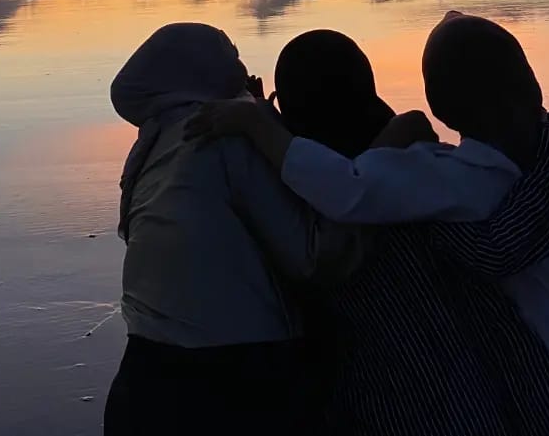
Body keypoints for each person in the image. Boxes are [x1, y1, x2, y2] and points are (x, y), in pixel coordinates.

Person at [192, 15, 549, 436]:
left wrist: (257, 123)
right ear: (530, 80)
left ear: (442, 105)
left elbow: (345, 189)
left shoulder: (448, 183)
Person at [103, 22, 360, 436]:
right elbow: (312, 257)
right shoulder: (225, 137)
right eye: (231, 56)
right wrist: (373, 172)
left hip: (142, 382)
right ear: (202, 70)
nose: (241, 68)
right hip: (230, 383)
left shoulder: (149, 149)